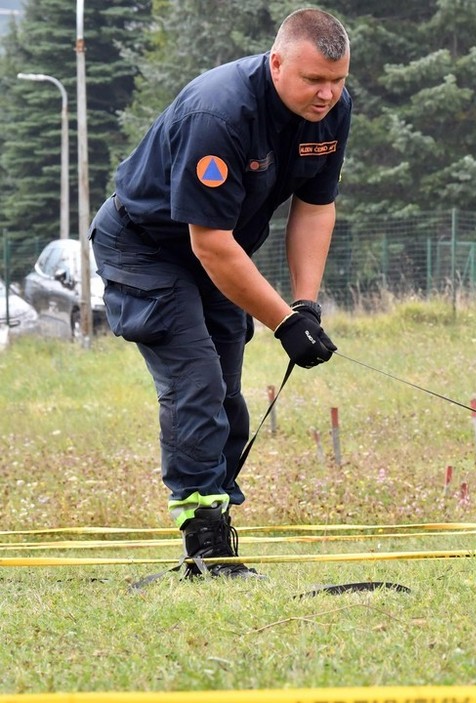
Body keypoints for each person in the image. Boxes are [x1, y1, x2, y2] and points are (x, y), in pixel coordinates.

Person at [89, 8, 351, 580]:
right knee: (197, 381)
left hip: (218, 253)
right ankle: (203, 542)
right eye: (313, 80)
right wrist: (284, 324)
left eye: (337, 80)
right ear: (276, 62)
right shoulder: (221, 112)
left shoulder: (332, 112)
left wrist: (304, 305)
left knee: (227, 392)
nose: (327, 94)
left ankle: (217, 526)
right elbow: (208, 243)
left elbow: (315, 206)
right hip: (146, 249)